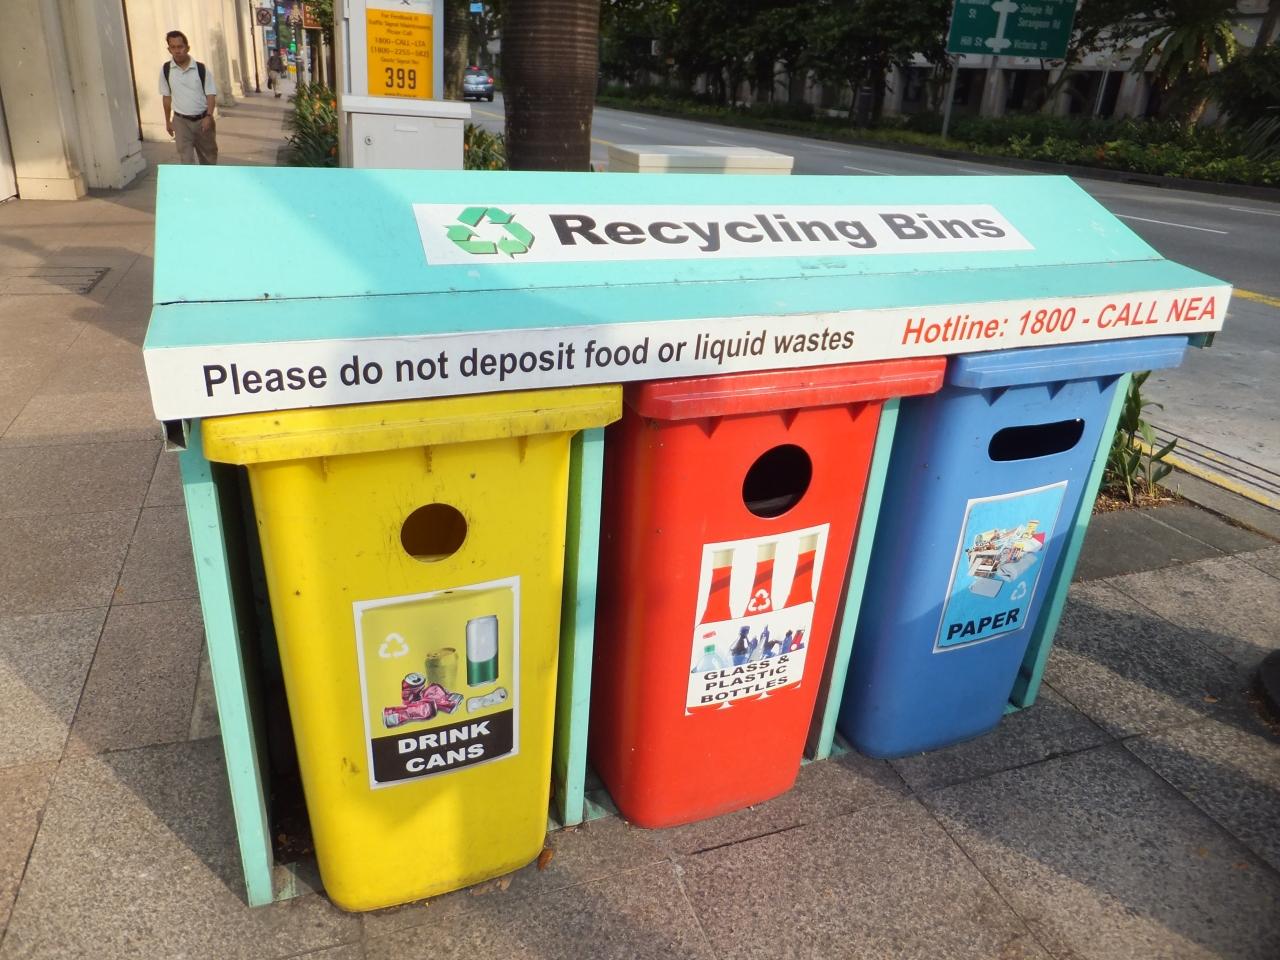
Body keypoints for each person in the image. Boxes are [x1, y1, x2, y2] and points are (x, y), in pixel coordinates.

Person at [159, 30, 217, 165]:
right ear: (169, 49)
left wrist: (209, 116)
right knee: (186, 161)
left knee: (208, 159)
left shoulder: (201, 69)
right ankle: (191, 179)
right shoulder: (166, 70)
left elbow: (211, 94)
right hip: (181, 122)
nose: (177, 51)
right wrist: (167, 121)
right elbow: (166, 97)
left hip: (202, 120)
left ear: (187, 48)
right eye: (173, 47)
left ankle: (208, 179)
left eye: (180, 47)